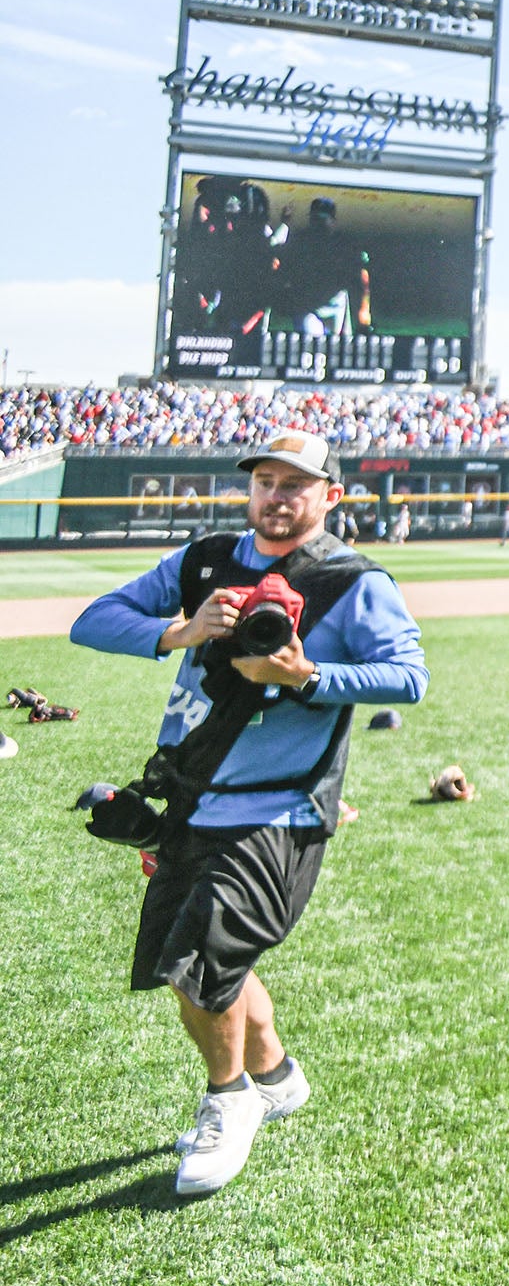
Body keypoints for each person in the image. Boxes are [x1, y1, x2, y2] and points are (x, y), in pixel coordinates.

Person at [67, 429, 428, 1198]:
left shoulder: (353, 582)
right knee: (193, 956)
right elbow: (92, 619)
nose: (276, 496)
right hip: (192, 801)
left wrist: (309, 674)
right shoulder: (205, 562)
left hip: (282, 809)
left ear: (329, 496)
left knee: (203, 957)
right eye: (265, 480)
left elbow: (408, 679)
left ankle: (229, 1100)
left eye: (296, 484)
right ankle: (276, 1075)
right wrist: (180, 629)